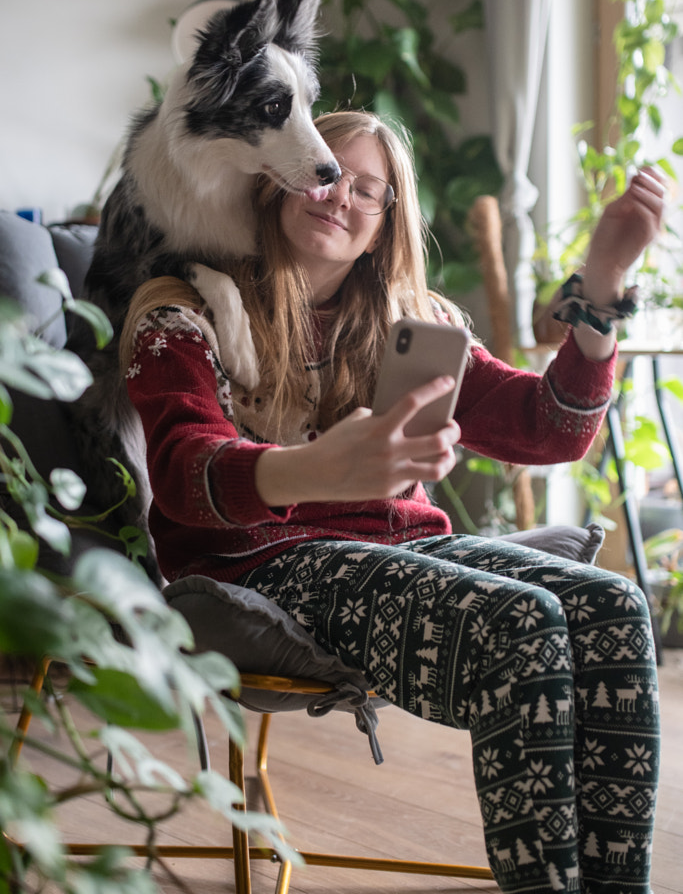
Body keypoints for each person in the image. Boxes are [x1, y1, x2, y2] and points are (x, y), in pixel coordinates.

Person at [122, 110, 663, 894]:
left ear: (382, 227)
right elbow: (180, 472)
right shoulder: (184, 311)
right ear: (275, 186)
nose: (340, 195)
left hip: (406, 551)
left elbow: (549, 430)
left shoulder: (416, 324)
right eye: (327, 172)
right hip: (266, 564)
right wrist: (311, 471)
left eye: (368, 190)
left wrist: (603, 287)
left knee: (614, 605)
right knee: (522, 622)